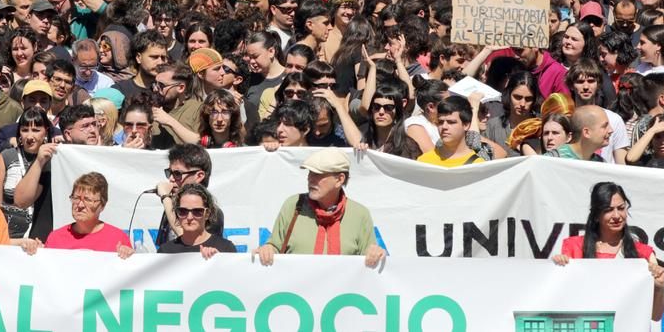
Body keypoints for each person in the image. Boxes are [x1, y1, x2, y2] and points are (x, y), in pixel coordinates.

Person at [553, 182, 664, 322]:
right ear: (596, 215)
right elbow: (562, 299)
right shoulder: (573, 247)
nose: (617, 215)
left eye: (621, 208)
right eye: (608, 210)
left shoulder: (643, 254)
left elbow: (656, 316)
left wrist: (659, 288)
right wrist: (557, 267)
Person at [258, 149, 386, 266]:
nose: (310, 179)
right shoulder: (293, 205)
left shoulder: (360, 214)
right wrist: (267, 249)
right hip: (295, 289)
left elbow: (369, 258)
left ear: (339, 179)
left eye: (318, 174)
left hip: (342, 290)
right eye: (310, 173)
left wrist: (375, 253)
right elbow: (274, 246)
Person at [20, 171, 131, 256]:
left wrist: (128, 256)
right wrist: (37, 253)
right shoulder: (56, 238)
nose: (80, 205)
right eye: (76, 198)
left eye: (87, 200)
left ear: (102, 205)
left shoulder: (118, 239)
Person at [0, 107, 52, 241]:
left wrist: (40, 161)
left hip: (39, 237)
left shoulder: (53, 160)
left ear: (46, 132)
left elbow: (25, 200)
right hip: (7, 236)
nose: (29, 136)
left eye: (36, 130)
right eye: (24, 130)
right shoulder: (6, 156)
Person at [157, 183, 237, 257]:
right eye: (183, 211)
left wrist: (220, 260)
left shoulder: (225, 248)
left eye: (197, 211)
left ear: (207, 214)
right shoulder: (165, 251)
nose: (189, 217)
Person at [417, 96, 484, 166]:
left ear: (466, 125)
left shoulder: (478, 165)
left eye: (451, 122)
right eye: (440, 122)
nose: (444, 127)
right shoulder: (424, 161)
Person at [545, 105, 613, 162]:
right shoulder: (553, 160)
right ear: (586, 132)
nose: (611, 130)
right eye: (604, 126)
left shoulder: (601, 164)